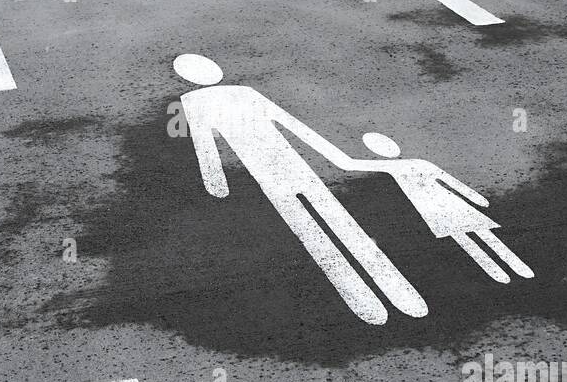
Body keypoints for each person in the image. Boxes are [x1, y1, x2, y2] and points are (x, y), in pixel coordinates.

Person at [173, 54, 427, 326]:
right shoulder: (242, 94)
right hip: (295, 166)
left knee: (310, 230)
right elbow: (294, 127)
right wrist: (336, 158)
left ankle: (365, 302)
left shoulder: (194, 101)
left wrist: (216, 183)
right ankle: (400, 294)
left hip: (268, 176)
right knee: (343, 224)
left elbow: (206, 146)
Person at [335, 132, 534, 284]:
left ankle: (498, 271)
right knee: (479, 235)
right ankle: (513, 266)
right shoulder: (420, 163)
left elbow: (349, 163)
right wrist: (477, 199)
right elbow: (452, 183)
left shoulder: (399, 166)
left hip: (433, 208)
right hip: (448, 204)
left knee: (467, 238)